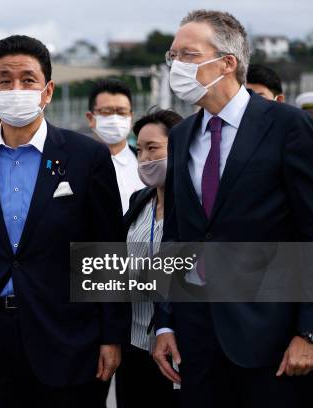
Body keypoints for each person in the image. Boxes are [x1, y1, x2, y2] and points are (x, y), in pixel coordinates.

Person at [0, 35, 130, 408]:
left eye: (28, 80)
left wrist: (111, 336)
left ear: (47, 90)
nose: (15, 88)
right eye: (5, 80)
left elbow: (107, 252)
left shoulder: (87, 157)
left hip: (67, 334)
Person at [154, 10, 313, 408]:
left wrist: (311, 331)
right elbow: (176, 237)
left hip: (272, 340)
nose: (176, 66)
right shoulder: (180, 136)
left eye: (188, 55)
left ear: (227, 63)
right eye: (172, 56)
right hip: (197, 341)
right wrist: (165, 321)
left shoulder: (288, 126)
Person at [113, 109, 183, 408]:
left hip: (178, 345)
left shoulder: (198, 209)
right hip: (134, 345)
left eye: (153, 148)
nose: (144, 158)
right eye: (139, 149)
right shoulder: (140, 200)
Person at [85, 79, 144, 213]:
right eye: (106, 112)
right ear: (90, 118)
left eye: (122, 112)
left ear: (131, 118)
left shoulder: (144, 163)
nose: (115, 119)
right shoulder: (76, 164)